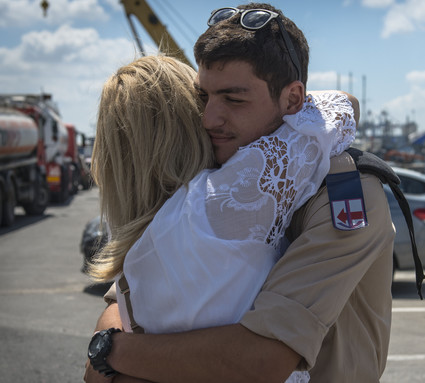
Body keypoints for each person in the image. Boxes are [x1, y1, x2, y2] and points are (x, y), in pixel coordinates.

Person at [85, 3, 396, 383]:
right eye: (204, 97)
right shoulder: (220, 176)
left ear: (294, 100)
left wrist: (110, 352)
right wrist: (108, 349)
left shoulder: (344, 191)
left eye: (233, 99)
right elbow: (125, 297)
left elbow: (261, 359)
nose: (209, 118)